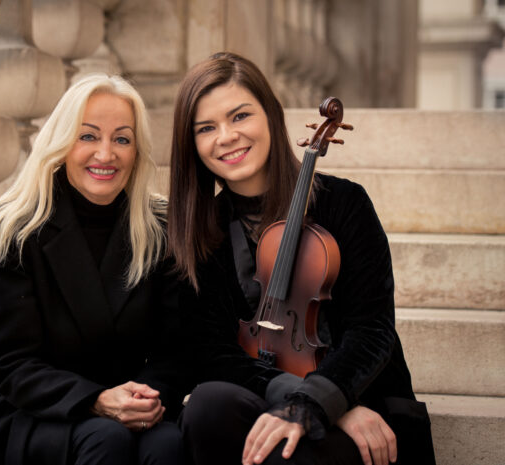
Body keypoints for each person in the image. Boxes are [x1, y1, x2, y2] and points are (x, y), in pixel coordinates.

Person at [167, 52, 435, 465]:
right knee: (206, 405)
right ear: (193, 144)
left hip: (359, 403)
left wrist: (325, 400)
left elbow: (372, 330)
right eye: (206, 127)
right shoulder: (200, 233)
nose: (226, 136)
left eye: (240, 116)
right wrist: (295, 400)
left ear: (271, 115)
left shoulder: (344, 204)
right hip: (265, 403)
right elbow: (213, 353)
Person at [0, 74, 189, 465]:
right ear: (62, 143)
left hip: (137, 407)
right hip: (36, 412)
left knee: (167, 444)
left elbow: (176, 348)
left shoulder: (161, 227)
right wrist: (97, 400)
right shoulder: (16, 228)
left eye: (122, 139)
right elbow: (10, 361)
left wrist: (148, 398)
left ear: (137, 151)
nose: (106, 154)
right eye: (88, 136)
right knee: (105, 439)